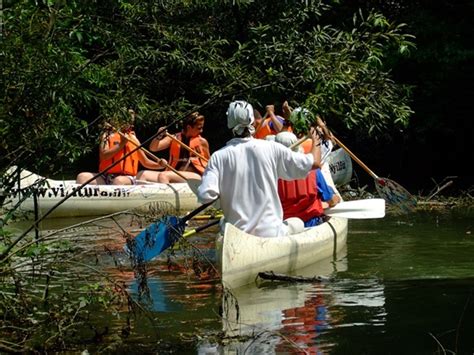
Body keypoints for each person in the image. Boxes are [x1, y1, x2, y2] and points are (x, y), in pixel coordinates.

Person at [197, 100, 323, 238]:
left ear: (229, 124)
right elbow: (315, 163)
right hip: (271, 234)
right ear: (251, 122)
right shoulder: (271, 148)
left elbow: (206, 196)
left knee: (223, 222)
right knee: (297, 222)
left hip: (238, 235)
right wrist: (317, 140)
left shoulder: (217, 157)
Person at [75, 109, 165, 185]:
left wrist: (159, 165)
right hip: (105, 176)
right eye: (126, 121)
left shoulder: (133, 138)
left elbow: (145, 162)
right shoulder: (107, 135)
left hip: (126, 178)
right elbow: (104, 156)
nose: (129, 124)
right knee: (82, 177)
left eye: (131, 122)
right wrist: (121, 144)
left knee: (118, 181)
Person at [274, 130, 341, 227]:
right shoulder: (313, 171)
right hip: (311, 223)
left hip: (283, 225)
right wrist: (337, 198)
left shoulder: (269, 173)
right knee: (327, 202)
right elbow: (331, 200)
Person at [137, 111, 211, 183]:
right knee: (142, 174)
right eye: (199, 128)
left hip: (195, 176)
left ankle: (166, 195)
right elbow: (153, 148)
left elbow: (209, 163)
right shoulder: (173, 138)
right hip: (174, 173)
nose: (201, 131)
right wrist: (159, 135)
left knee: (164, 176)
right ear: (189, 127)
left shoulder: (202, 142)